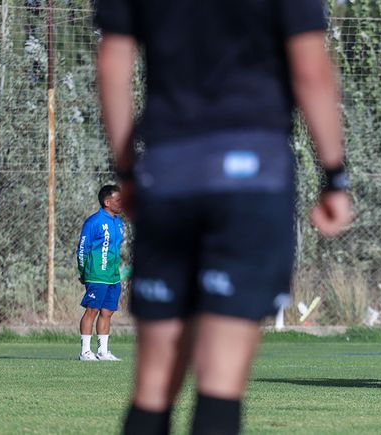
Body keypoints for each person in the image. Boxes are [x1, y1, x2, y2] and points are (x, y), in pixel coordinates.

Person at [95, 0, 353, 433]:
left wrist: (127, 171)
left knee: (153, 385)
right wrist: (334, 177)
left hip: (169, 171)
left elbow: (112, 66)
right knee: (220, 383)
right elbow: (311, 69)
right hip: (251, 179)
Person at [76, 184, 125, 361]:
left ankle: (103, 352)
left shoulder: (118, 222)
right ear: (107, 202)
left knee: (108, 312)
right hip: (97, 275)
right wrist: (83, 271)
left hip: (113, 276)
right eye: (118, 200)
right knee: (92, 310)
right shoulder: (94, 222)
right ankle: (85, 352)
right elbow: (82, 249)